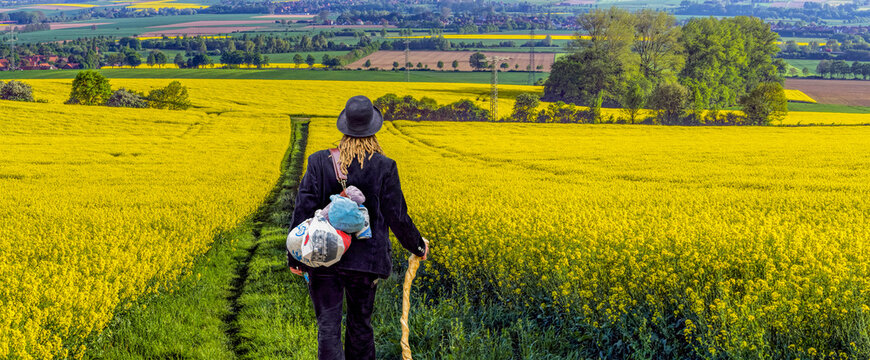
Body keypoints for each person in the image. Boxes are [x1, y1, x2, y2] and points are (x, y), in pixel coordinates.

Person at [288, 95, 429, 360]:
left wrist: (295, 257)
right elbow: (397, 215)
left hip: (322, 257)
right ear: (373, 129)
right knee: (361, 325)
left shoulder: (319, 161)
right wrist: (418, 246)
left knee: (328, 327)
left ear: (344, 127)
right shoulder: (384, 166)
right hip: (366, 262)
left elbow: (303, 208)